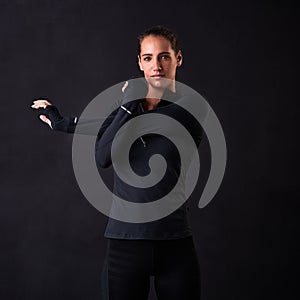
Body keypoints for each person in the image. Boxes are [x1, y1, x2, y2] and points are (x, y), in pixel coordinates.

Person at [31, 25, 203, 300]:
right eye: (147, 58)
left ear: (178, 58)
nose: (156, 65)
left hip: (175, 244)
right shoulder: (131, 109)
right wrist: (63, 123)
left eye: (164, 57)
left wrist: (128, 104)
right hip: (125, 246)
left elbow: (116, 139)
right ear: (139, 62)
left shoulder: (191, 110)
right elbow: (106, 150)